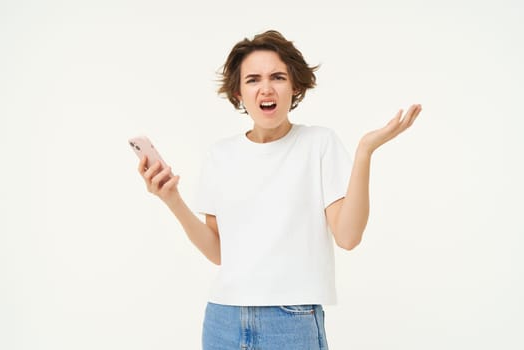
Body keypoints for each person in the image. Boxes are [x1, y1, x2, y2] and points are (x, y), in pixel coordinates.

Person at [138, 30, 422, 350]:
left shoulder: (319, 144)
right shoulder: (220, 155)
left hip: (292, 320)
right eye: (253, 80)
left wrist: (365, 152)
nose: (266, 88)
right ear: (237, 93)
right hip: (223, 319)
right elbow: (219, 251)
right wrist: (171, 199)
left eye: (277, 77)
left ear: (295, 86)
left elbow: (348, 236)